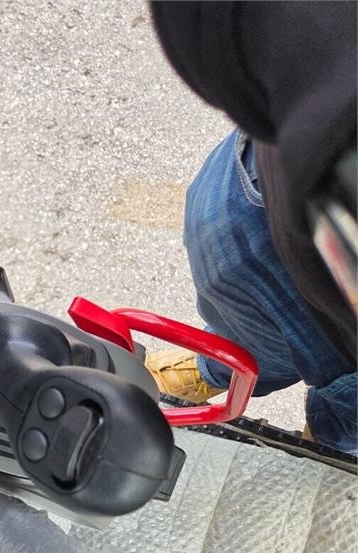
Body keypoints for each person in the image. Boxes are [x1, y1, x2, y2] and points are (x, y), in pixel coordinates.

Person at [147, 1, 357, 453]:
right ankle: (219, 368)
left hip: (275, 174)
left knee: (345, 411)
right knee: (245, 331)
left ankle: (322, 447)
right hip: (264, 192)